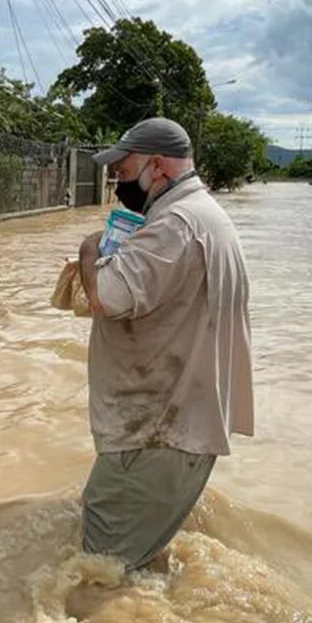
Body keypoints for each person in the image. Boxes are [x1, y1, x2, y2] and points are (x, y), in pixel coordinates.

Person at [75, 116, 254, 571]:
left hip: (155, 435)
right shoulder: (206, 217)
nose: (117, 182)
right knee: (139, 562)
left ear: (157, 166)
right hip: (188, 425)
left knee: (98, 576)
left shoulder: (174, 226)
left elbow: (105, 296)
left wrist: (90, 249)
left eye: (123, 169)